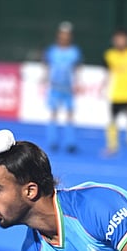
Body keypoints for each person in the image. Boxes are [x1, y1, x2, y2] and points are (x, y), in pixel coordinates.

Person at [102, 29, 127, 156]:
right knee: (112, 121)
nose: (120, 42)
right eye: (118, 39)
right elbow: (107, 73)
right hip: (115, 94)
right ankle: (112, 146)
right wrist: (102, 86)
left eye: (123, 39)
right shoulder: (109, 55)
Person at [43, 21, 82, 153]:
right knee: (53, 113)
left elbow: (77, 68)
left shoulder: (74, 52)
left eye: (67, 35)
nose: (64, 37)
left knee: (69, 114)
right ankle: (52, 140)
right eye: (62, 34)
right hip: (55, 87)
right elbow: (47, 65)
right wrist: (45, 77)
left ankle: (70, 142)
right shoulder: (52, 51)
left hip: (68, 88)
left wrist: (78, 82)